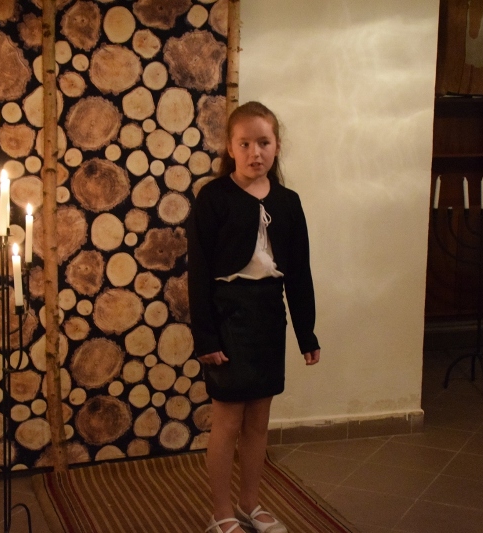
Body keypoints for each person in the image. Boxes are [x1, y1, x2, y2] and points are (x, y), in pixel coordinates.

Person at [187, 101, 321, 533]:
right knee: (228, 421)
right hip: (228, 318)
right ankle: (221, 511)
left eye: (263, 142)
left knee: (259, 422)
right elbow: (199, 273)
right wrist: (206, 338)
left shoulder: (288, 202)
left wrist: (306, 334)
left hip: (268, 318)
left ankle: (249, 504)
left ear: (276, 146)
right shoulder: (213, 198)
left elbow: (298, 273)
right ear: (230, 147)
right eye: (244, 144)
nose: (254, 152)